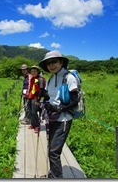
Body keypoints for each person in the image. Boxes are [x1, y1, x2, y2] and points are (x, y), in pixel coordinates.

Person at [38, 50, 79, 178]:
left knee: (54, 151)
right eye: (48, 63)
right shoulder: (50, 79)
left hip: (64, 119)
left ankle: (56, 177)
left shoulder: (69, 77)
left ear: (61, 62)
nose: (51, 65)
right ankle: (54, 173)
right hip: (52, 117)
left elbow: (74, 100)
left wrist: (59, 108)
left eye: (54, 62)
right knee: (51, 148)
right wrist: (43, 101)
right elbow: (49, 97)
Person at [27, 65, 46, 133]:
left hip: (36, 97)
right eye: (32, 71)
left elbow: (41, 90)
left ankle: (37, 126)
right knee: (30, 111)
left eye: (35, 71)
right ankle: (33, 124)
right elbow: (31, 88)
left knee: (34, 112)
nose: (33, 72)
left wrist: (38, 100)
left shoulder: (40, 79)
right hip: (30, 96)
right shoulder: (32, 78)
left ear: (38, 71)